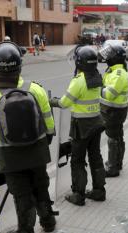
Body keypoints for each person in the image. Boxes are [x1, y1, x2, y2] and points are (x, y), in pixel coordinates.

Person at [0, 41, 56, 233]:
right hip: (37, 149)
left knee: (21, 193)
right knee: (40, 186)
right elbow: (49, 122)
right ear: (19, 65)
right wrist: (46, 140)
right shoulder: (34, 88)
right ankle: (48, 221)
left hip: (9, 154)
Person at [50, 46, 106, 206]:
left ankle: (78, 194)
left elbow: (63, 103)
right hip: (96, 123)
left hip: (81, 127)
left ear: (79, 62)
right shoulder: (97, 76)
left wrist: (50, 101)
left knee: (78, 160)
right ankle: (99, 191)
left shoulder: (79, 81)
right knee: (96, 158)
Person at [99, 44, 128, 177]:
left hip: (113, 110)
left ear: (115, 58)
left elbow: (111, 93)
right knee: (117, 136)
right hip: (113, 109)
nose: (107, 57)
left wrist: (97, 90)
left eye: (110, 55)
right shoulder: (113, 70)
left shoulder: (118, 73)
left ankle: (112, 167)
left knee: (112, 138)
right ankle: (117, 162)